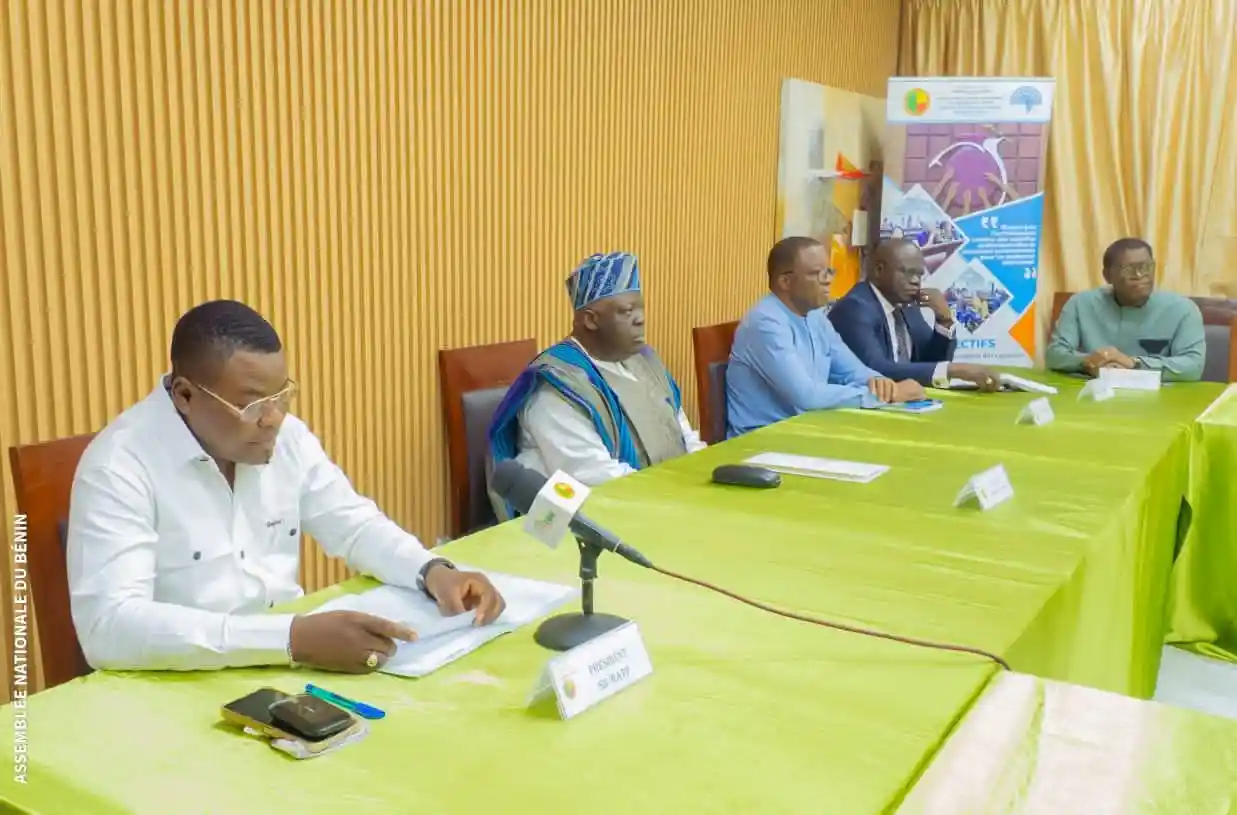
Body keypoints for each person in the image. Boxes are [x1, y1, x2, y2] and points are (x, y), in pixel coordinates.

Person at [67, 300, 506, 674]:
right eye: (254, 403)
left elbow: (352, 524)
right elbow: (109, 628)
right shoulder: (119, 466)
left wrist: (433, 570)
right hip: (179, 687)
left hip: (292, 667)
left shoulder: (284, 436)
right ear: (185, 395)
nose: (273, 417)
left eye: (282, 396)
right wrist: (291, 638)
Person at [487, 252, 704, 517]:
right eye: (627, 311)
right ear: (591, 320)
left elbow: (684, 436)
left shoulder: (644, 362)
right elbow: (600, 479)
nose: (640, 319)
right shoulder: (558, 385)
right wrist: (677, 496)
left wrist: (700, 478)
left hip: (660, 503)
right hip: (583, 528)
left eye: (640, 308)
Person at [725, 237, 924, 438]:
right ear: (785, 282)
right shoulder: (766, 323)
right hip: (763, 439)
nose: (828, 279)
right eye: (816, 273)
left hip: (808, 430)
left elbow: (851, 370)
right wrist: (881, 396)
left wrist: (881, 383)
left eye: (828, 271)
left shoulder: (815, 316)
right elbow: (807, 396)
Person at [827, 239, 1001, 391]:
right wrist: (952, 370)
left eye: (919, 274)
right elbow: (877, 370)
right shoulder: (854, 308)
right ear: (879, 270)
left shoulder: (906, 306)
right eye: (908, 272)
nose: (916, 281)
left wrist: (944, 321)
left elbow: (929, 362)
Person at [1046, 238, 1205, 380]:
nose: (1139, 275)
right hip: (1096, 395)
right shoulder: (1081, 303)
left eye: (1146, 267)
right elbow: (1055, 355)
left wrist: (1134, 363)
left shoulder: (1183, 309)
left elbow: (1193, 366)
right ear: (1107, 276)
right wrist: (1092, 360)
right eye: (1128, 269)